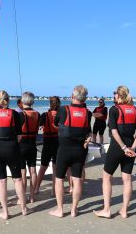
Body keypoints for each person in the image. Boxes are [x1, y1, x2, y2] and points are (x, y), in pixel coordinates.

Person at [94, 86, 136, 219]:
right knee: (127, 179)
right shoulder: (133, 109)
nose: (114, 96)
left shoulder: (114, 109)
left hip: (117, 147)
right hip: (131, 147)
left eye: (115, 94)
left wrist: (124, 148)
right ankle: (124, 211)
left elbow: (114, 131)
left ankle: (107, 209)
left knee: (106, 177)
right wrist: (132, 147)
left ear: (119, 96)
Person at [0, 90, 33, 219]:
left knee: (1, 181)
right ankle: (24, 209)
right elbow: (19, 136)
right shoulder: (15, 114)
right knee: (17, 179)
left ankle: (5, 212)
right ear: (9, 99)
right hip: (12, 149)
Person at [49, 85, 92, 218]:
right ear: (84, 98)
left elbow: (55, 123)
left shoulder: (63, 110)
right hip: (80, 150)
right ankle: (74, 210)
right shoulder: (88, 113)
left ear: (72, 96)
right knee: (77, 179)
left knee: (59, 179)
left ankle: (60, 210)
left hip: (64, 150)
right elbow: (87, 130)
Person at [35, 96, 61, 195]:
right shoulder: (61, 115)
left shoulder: (45, 115)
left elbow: (39, 127)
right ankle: (53, 191)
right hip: (57, 142)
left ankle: (37, 188)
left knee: (43, 166)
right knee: (55, 168)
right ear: (59, 104)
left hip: (47, 142)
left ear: (50, 104)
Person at [19, 91, 40, 203]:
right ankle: (32, 196)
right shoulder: (37, 114)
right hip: (32, 144)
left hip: (22, 145)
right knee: (33, 170)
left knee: (23, 172)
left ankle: (23, 197)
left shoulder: (20, 114)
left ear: (22, 101)